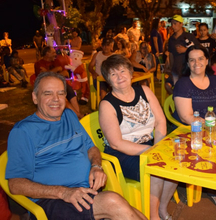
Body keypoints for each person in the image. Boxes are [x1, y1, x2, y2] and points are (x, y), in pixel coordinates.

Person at [5, 71, 146, 220]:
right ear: (35, 97)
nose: (56, 99)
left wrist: (96, 167)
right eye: (48, 94)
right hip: (53, 201)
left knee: (129, 210)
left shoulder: (69, 116)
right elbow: (15, 184)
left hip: (86, 192)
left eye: (60, 94)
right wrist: (63, 192)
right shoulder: (23, 131)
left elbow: (91, 148)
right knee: (113, 202)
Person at [98, 55, 177, 220]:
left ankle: (162, 210)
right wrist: (152, 151)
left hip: (149, 144)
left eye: (122, 71)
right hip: (121, 154)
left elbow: (161, 120)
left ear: (130, 72)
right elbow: (116, 143)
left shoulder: (144, 91)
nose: (120, 77)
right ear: (108, 80)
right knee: (155, 170)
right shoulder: (107, 105)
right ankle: (152, 216)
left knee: (174, 164)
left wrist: (158, 146)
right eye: (113, 74)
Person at [173, 44, 216, 211]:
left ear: (207, 61)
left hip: (213, 126)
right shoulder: (183, 84)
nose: (196, 63)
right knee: (213, 144)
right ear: (187, 63)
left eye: (200, 59)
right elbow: (187, 116)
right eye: (191, 60)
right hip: (190, 131)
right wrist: (212, 128)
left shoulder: (215, 80)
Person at [35, 46, 83, 118]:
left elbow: (65, 73)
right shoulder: (39, 63)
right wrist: (57, 70)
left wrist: (48, 73)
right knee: (63, 98)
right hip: (47, 87)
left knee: (72, 96)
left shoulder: (56, 61)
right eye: (53, 52)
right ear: (47, 53)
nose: (55, 54)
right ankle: (78, 115)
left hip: (60, 84)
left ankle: (76, 117)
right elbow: (43, 77)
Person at [168, 15, 200, 84]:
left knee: (186, 89)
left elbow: (198, 49)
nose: (173, 26)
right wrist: (171, 67)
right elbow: (170, 54)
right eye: (172, 24)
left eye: (175, 23)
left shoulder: (189, 36)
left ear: (181, 24)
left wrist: (186, 50)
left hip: (186, 69)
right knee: (171, 87)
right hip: (175, 68)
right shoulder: (171, 39)